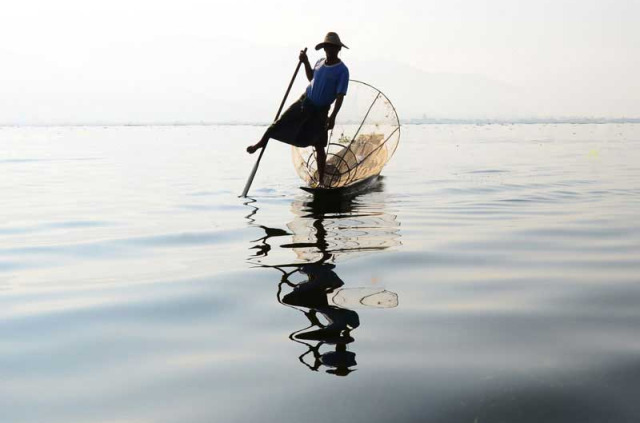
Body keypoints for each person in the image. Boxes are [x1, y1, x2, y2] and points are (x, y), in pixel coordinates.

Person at [246, 32, 350, 187]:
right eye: (328, 47)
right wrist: (305, 61)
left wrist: (333, 116)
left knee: (319, 145)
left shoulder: (342, 70)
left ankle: (321, 181)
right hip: (305, 102)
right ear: (324, 48)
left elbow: (340, 96)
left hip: (321, 111)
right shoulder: (320, 62)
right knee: (280, 122)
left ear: (338, 49)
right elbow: (311, 78)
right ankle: (261, 142)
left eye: (333, 47)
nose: (330, 50)